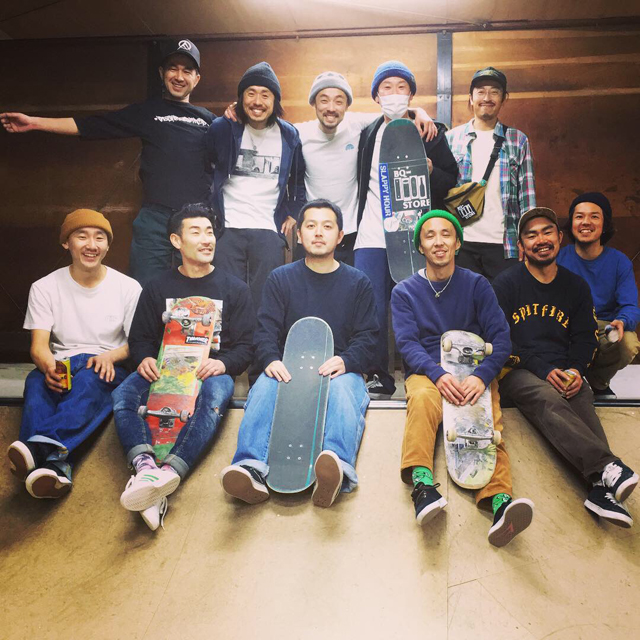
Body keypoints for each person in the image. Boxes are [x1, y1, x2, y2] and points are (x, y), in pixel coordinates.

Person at [0, 39, 213, 286]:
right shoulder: (147, 112)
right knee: (146, 289)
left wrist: (236, 112)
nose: (179, 76)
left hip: (196, 220)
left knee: (196, 289)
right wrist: (34, 123)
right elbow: (92, 125)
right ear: (161, 73)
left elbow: (237, 144)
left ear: (197, 78)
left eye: (187, 70)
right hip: (156, 217)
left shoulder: (209, 120)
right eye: (172, 68)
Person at [220, 199, 378, 508]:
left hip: (338, 372)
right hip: (290, 370)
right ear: (299, 235)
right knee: (265, 385)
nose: (318, 233)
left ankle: (336, 470)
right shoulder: (280, 278)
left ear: (340, 236)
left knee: (343, 390)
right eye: (311, 226)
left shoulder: (358, 282)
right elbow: (264, 330)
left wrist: (347, 360)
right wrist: (271, 359)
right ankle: (249, 468)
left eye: (327, 226)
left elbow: (368, 337)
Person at [391, 209, 533, 546]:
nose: (438, 241)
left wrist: (482, 377)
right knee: (423, 400)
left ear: (457, 243)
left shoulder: (477, 285)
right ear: (420, 246)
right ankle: (422, 486)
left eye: (446, 234)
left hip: (472, 372)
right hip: (427, 370)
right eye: (429, 236)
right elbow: (407, 344)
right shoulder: (405, 291)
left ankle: (500, 503)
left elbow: (502, 338)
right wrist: (438, 375)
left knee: (486, 419)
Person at [493, 207, 638, 528]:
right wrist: (544, 369)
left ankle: (599, 488)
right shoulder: (506, 284)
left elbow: (585, 336)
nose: (541, 240)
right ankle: (607, 467)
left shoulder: (575, 286)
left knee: (582, 396)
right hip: (518, 372)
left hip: (564, 370)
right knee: (547, 396)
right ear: (521, 246)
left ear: (559, 238)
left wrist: (575, 370)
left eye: (547, 232)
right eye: (531, 235)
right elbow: (501, 340)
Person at [112, 203, 254, 530]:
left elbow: (247, 347)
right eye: (196, 232)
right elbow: (140, 338)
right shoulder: (157, 287)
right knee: (123, 395)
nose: (206, 239)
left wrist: (223, 364)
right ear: (177, 241)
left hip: (210, 372)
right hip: (164, 371)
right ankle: (145, 467)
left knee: (213, 400)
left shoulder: (235, 289)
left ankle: (169, 473)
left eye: (210, 232)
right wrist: (145, 358)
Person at [7, 209, 141, 498]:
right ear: (66, 243)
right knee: (35, 382)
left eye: (99, 238)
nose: (91, 245)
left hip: (106, 364)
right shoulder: (44, 287)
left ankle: (35, 450)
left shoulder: (128, 287)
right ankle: (55, 468)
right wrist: (49, 367)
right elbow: (39, 346)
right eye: (82, 237)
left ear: (108, 246)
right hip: (62, 362)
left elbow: (138, 343)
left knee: (92, 380)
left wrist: (111, 356)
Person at [355, 60, 458, 397]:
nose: (394, 94)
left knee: (416, 304)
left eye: (402, 87)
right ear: (376, 95)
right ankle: (377, 373)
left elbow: (451, 179)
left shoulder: (429, 132)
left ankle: (420, 369)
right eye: (387, 87)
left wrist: (430, 170)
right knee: (371, 305)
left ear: (411, 94)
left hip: (413, 235)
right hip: (371, 232)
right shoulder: (367, 132)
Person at [206, 61, 306, 310]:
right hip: (228, 227)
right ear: (241, 98)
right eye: (251, 93)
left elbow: (297, 178)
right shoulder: (223, 128)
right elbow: (204, 169)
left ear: (275, 100)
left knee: (265, 299)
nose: (257, 101)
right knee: (227, 299)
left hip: (268, 228)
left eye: (265, 94)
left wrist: (294, 212)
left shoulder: (289, 134)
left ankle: (261, 338)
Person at [446, 67, 536, 280]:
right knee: (465, 301)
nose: (487, 98)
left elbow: (527, 197)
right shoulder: (452, 139)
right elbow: (441, 190)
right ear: (471, 98)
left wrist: (529, 238)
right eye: (480, 91)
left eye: (494, 92)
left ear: (504, 98)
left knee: (503, 301)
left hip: (504, 245)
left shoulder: (518, 140)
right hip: (462, 243)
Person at [557, 192, 640, 398]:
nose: (586, 222)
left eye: (594, 216)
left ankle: (598, 381)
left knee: (629, 344)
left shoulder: (619, 262)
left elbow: (630, 306)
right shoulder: (558, 258)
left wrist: (622, 321)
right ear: (571, 223)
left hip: (603, 326)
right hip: (567, 326)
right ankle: (566, 381)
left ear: (605, 225)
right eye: (579, 216)